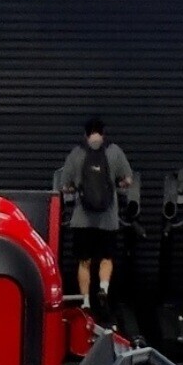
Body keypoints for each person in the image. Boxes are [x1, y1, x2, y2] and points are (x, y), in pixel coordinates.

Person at [56, 119, 133, 319]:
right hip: (108, 219)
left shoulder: (76, 153)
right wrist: (117, 185)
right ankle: (103, 290)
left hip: (82, 219)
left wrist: (76, 188)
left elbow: (64, 185)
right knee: (106, 258)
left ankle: (86, 302)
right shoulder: (115, 152)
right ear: (103, 133)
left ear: (85, 134)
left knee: (84, 261)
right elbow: (128, 180)